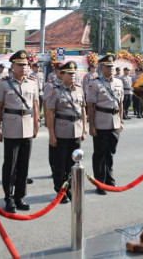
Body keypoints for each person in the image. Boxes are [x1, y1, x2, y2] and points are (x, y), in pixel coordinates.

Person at [0, 50, 39, 213]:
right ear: (12, 66)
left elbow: (35, 106)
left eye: (26, 65)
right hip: (11, 127)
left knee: (24, 164)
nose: (23, 68)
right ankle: (9, 197)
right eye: (20, 65)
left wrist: (36, 125)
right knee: (10, 165)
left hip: (27, 126)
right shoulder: (4, 84)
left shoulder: (33, 83)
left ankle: (21, 196)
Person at [45, 61, 86, 203]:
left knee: (72, 163)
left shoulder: (79, 89)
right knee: (60, 164)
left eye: (74, 73)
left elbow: (83, 110)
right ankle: (60, 191)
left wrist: (84, 129)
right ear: (61, 75)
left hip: (76, 131)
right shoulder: (55, 90)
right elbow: (50, 113)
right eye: (69, 73)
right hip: (61, 131)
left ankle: (70, 189)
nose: (72, 76)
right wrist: (51, 134)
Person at [86, 53, 124, 195]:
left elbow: (121, 104)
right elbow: (90, 106)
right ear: (101, 68)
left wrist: (120, 121)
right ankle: (100, 183)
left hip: (114, 122)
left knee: (110, 153)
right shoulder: (94, 83)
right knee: (100, 154)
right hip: (101, 122)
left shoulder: (118, 83)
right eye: (108, 67)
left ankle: (110, 180)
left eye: (112, 66)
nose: (111, 69)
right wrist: (92, 126)